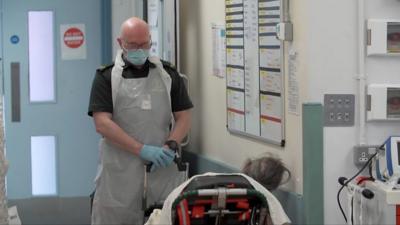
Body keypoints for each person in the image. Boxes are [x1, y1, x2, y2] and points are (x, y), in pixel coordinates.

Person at [88, 17, 193, 225]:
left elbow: (184, 116)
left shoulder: (168, 74)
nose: (140, 49)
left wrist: (171, 144)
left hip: (162, 168)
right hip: (119, 174)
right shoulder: (106, 77)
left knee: (162, 217)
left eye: (144, 44)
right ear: (120, 43)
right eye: (133, 45)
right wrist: (141, 149)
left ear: (150, 41)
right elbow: (102, 123)